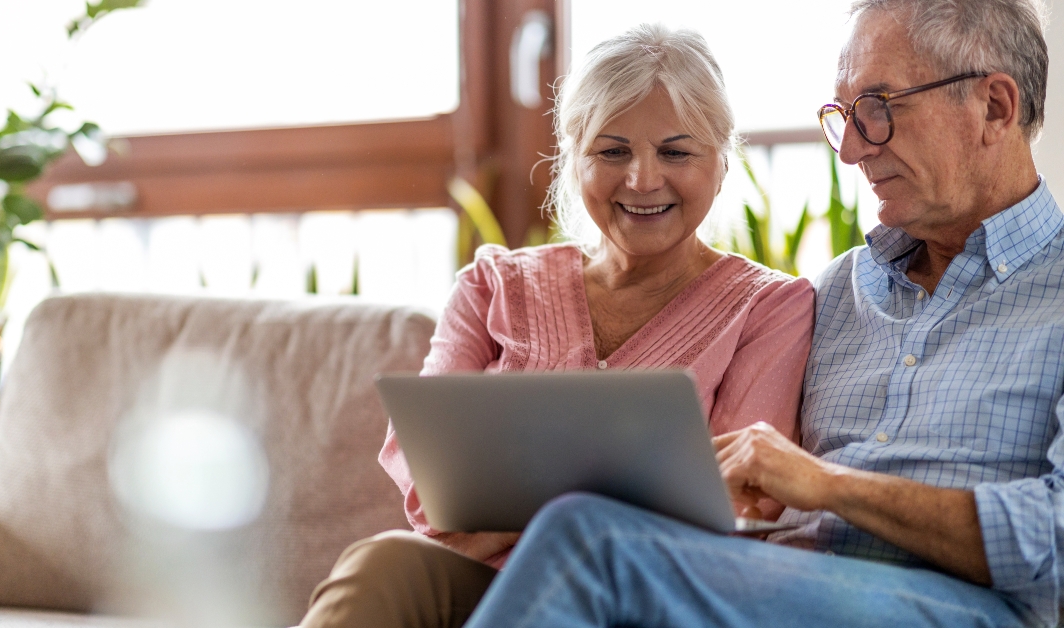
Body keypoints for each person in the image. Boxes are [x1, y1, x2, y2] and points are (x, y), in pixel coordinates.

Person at [461, 0, 1063, 626]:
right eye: (846, 117)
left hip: (959, 604)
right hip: (774, 585)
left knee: (590, 539)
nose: (851, 151)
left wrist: (828, 486)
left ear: (994, 106)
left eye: (879, 109)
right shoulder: (832, 294)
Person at [298, 24, 815, 628]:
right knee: (386, 561)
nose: (643, 179)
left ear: (722, 165)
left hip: (633, 599)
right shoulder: (491, 284)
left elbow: (734, 506)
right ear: (574, 161)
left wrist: (510, 522)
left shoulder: (770, 307)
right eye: (612, 150)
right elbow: (431, 479)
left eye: (676, 151)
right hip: (481, 586)